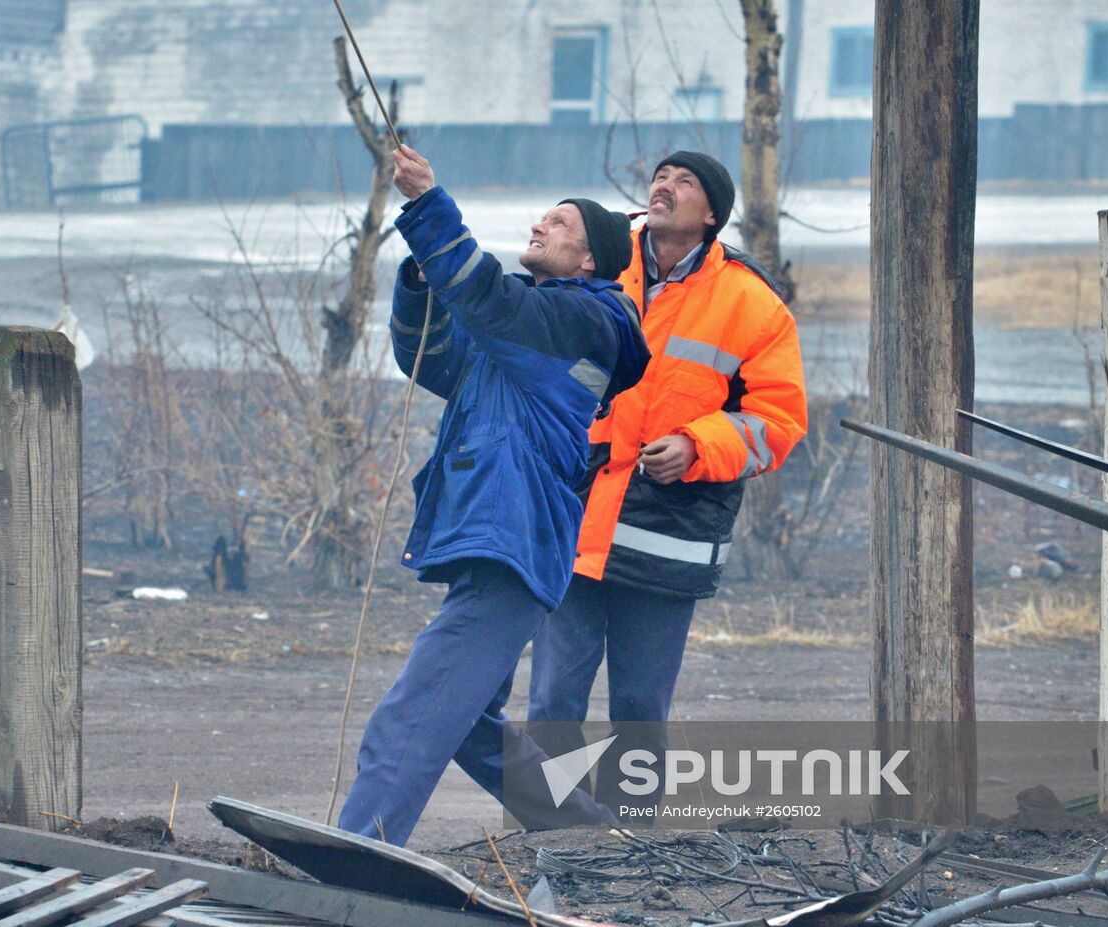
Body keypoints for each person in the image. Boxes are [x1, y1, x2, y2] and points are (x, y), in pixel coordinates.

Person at [336, 145, 651, 847]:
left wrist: (425, 206)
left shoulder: (585, 324)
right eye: (542, 217)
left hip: (513, 544)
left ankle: (361, 846)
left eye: (560, 223)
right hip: (501, 541)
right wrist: (422, 278)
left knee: (412, 714)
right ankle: (586, 834)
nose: (541, 226)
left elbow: (485, 296)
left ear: (591, 260)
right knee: (470, 724)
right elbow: (437, 356)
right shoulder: (526, 331)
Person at [527, 150, 808, 816]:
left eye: (684, 182)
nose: (664, 186)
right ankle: (549, 835)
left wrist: (696, 443)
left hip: (666, 531)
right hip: (578, 516)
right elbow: (538, 341)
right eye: (660, 176)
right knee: (552, 700)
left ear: (711, 213)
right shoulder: (595, 255)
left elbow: (778, 420)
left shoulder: (752, 303)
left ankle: (633, 843)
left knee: (639, 707)